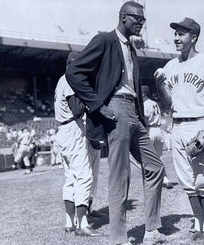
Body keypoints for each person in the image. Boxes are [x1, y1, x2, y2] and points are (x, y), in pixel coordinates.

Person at [66, 2, 166, 245]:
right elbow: (74, 72)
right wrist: (98, 105)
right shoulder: (104, 40)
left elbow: (133, 88)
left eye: (143, 19)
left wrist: (139, 116)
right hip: (115, 109)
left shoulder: (131, 48)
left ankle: (152, 230)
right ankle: (119, 239)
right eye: (137, 18)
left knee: (155, 167)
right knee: (121, 176)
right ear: (123, 17)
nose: (141, 22)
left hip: (134, 113)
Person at [154, 17, 204, 245]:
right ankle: (198, 221)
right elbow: (167, 102)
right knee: (187, 180)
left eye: (181, 34)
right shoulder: (170, 66)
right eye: (175, 33)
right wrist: (159, 84)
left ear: (193, 37)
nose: (176, 37)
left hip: (200, 124)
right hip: (178, 125)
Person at [54, 51, 99, 237]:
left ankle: (69, 222)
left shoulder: (61, 80)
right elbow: (77, 109)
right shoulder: (71, 80)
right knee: (84, 176)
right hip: (72, 128)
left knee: (71, 178)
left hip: (63, 130)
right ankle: (82, 224)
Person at [142, 85, 173, 189]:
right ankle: (165, 178)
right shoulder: (154, 103)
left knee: (148, 158)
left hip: (149, 130)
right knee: (159, 157)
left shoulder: (144, 104)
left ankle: (153, 180)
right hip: (158, 131)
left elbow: (145, 118)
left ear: (143, 93)